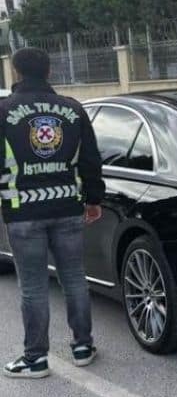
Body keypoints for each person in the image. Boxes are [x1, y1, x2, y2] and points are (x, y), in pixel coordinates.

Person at [1, 48, 105, 379]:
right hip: (68, 206)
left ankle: (35, 359)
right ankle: (83, 347)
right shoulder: (73, 109)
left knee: (33, 286)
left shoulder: (3, 110)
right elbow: (90, 158)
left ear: (16, 72)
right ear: (49, 72)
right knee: (74, 277)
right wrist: (94, 199)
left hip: (22, 211)